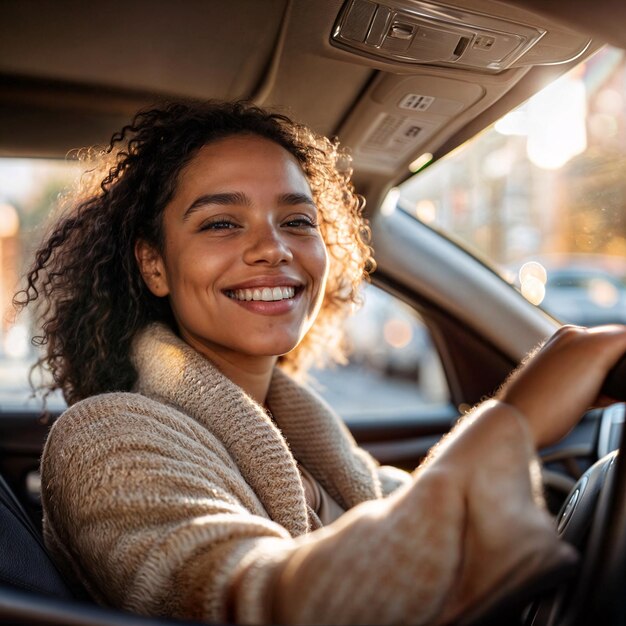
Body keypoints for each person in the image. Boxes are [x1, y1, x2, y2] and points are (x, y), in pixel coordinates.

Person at [15, 101, 626, 625]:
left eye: (297, 221)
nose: (273, 248)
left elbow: (409, 512)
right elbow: (266, 602)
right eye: (222, 223)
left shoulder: (306, 437)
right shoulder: (103, 440)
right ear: (154, 265)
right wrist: (514, 420)